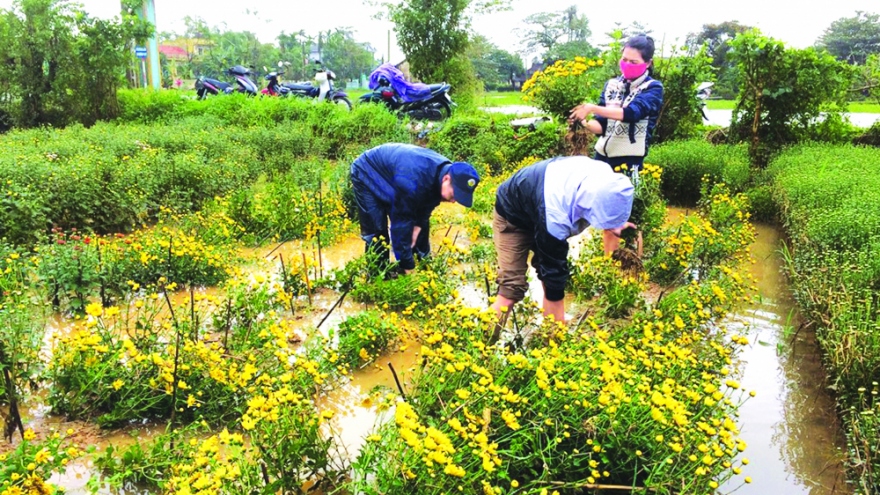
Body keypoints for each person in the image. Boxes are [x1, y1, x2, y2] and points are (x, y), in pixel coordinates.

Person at [490, 156, 635, 323]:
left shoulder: (610, 183)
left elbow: (611, 211)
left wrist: (615, 223)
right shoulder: (556, 214)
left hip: (539, 199)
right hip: (514, 215)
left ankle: (549, 330)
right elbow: (554, 273)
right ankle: (483, 341)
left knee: (549, 277)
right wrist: (558, 334)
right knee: (511, 289)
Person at [350, 143, 480, 275]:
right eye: (454, 195)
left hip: (396, 175)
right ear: (446, 179)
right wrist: (408, 268)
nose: (453, 201)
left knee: (418, 228)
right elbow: (400, 225)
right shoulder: (413, 181)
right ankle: (377, 276)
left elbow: (425, 209)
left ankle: (423, 265)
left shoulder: (444, 173)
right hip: (367, 171)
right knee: (377, 230)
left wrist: (416, 230)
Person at [569, 34, 664, 175]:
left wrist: (592, 108)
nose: (627, 65)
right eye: (624, 59)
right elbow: (602, 126)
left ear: (648, 63)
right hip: (601, 158)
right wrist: (584, 122)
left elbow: (632, 113)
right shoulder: (612, 85)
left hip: (629, 163)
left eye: (633, 62)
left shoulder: (653, 88)